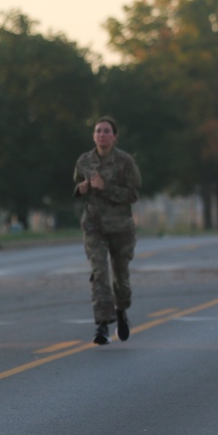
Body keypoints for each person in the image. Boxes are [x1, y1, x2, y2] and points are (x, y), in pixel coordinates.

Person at [73, 116, 142, 344]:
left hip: (121, 228)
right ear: (93, 135)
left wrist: (107, 187)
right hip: (94, 226)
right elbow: (77, 185)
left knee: (120, 278)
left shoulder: (125, 162)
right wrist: (80, 189)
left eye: (106, 131)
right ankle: (101, 325)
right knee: (99, 273)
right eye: (98, 131)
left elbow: (132, 195)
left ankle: (121, 312)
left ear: (114, 136)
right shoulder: (84, 161)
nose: (101, 135)